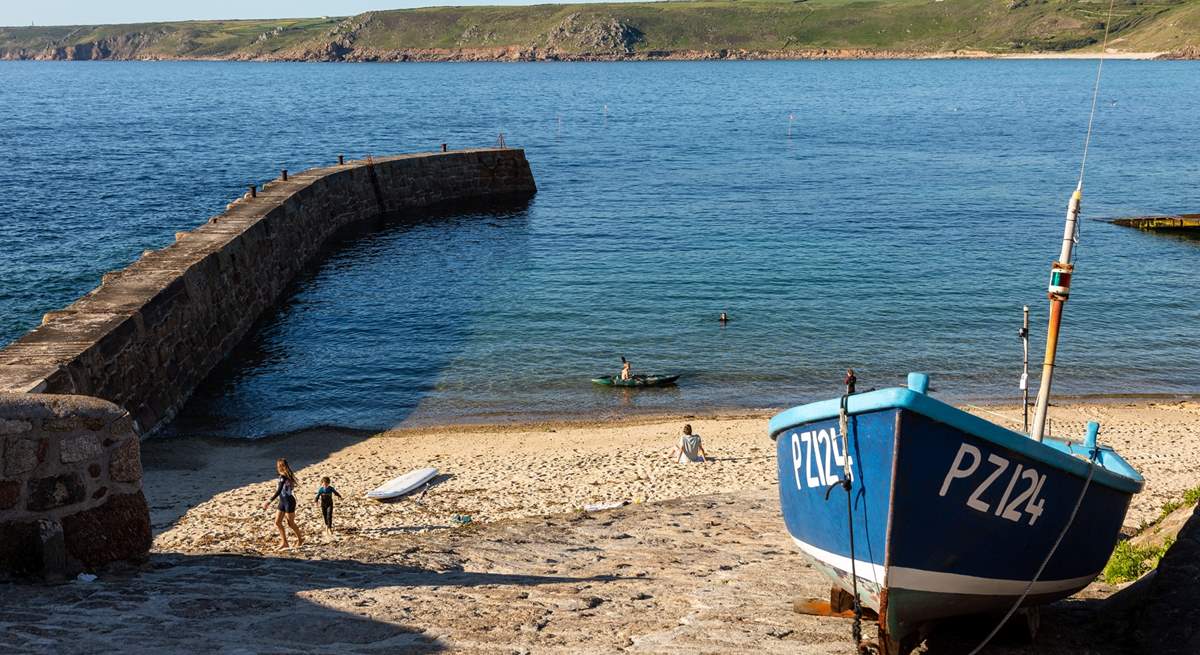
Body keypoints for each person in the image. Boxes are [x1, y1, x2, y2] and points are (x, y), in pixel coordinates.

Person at [262, 458, 304, 548]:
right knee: (277, 522)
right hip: (282, 501)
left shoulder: (283, 477)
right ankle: (285, 542)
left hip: (289, 502)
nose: (277, 467)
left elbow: (279, 490)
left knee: (291, 523)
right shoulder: (285, 476)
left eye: (278, 466)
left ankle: (300, 539)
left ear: (281, 466)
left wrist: (268, 502)